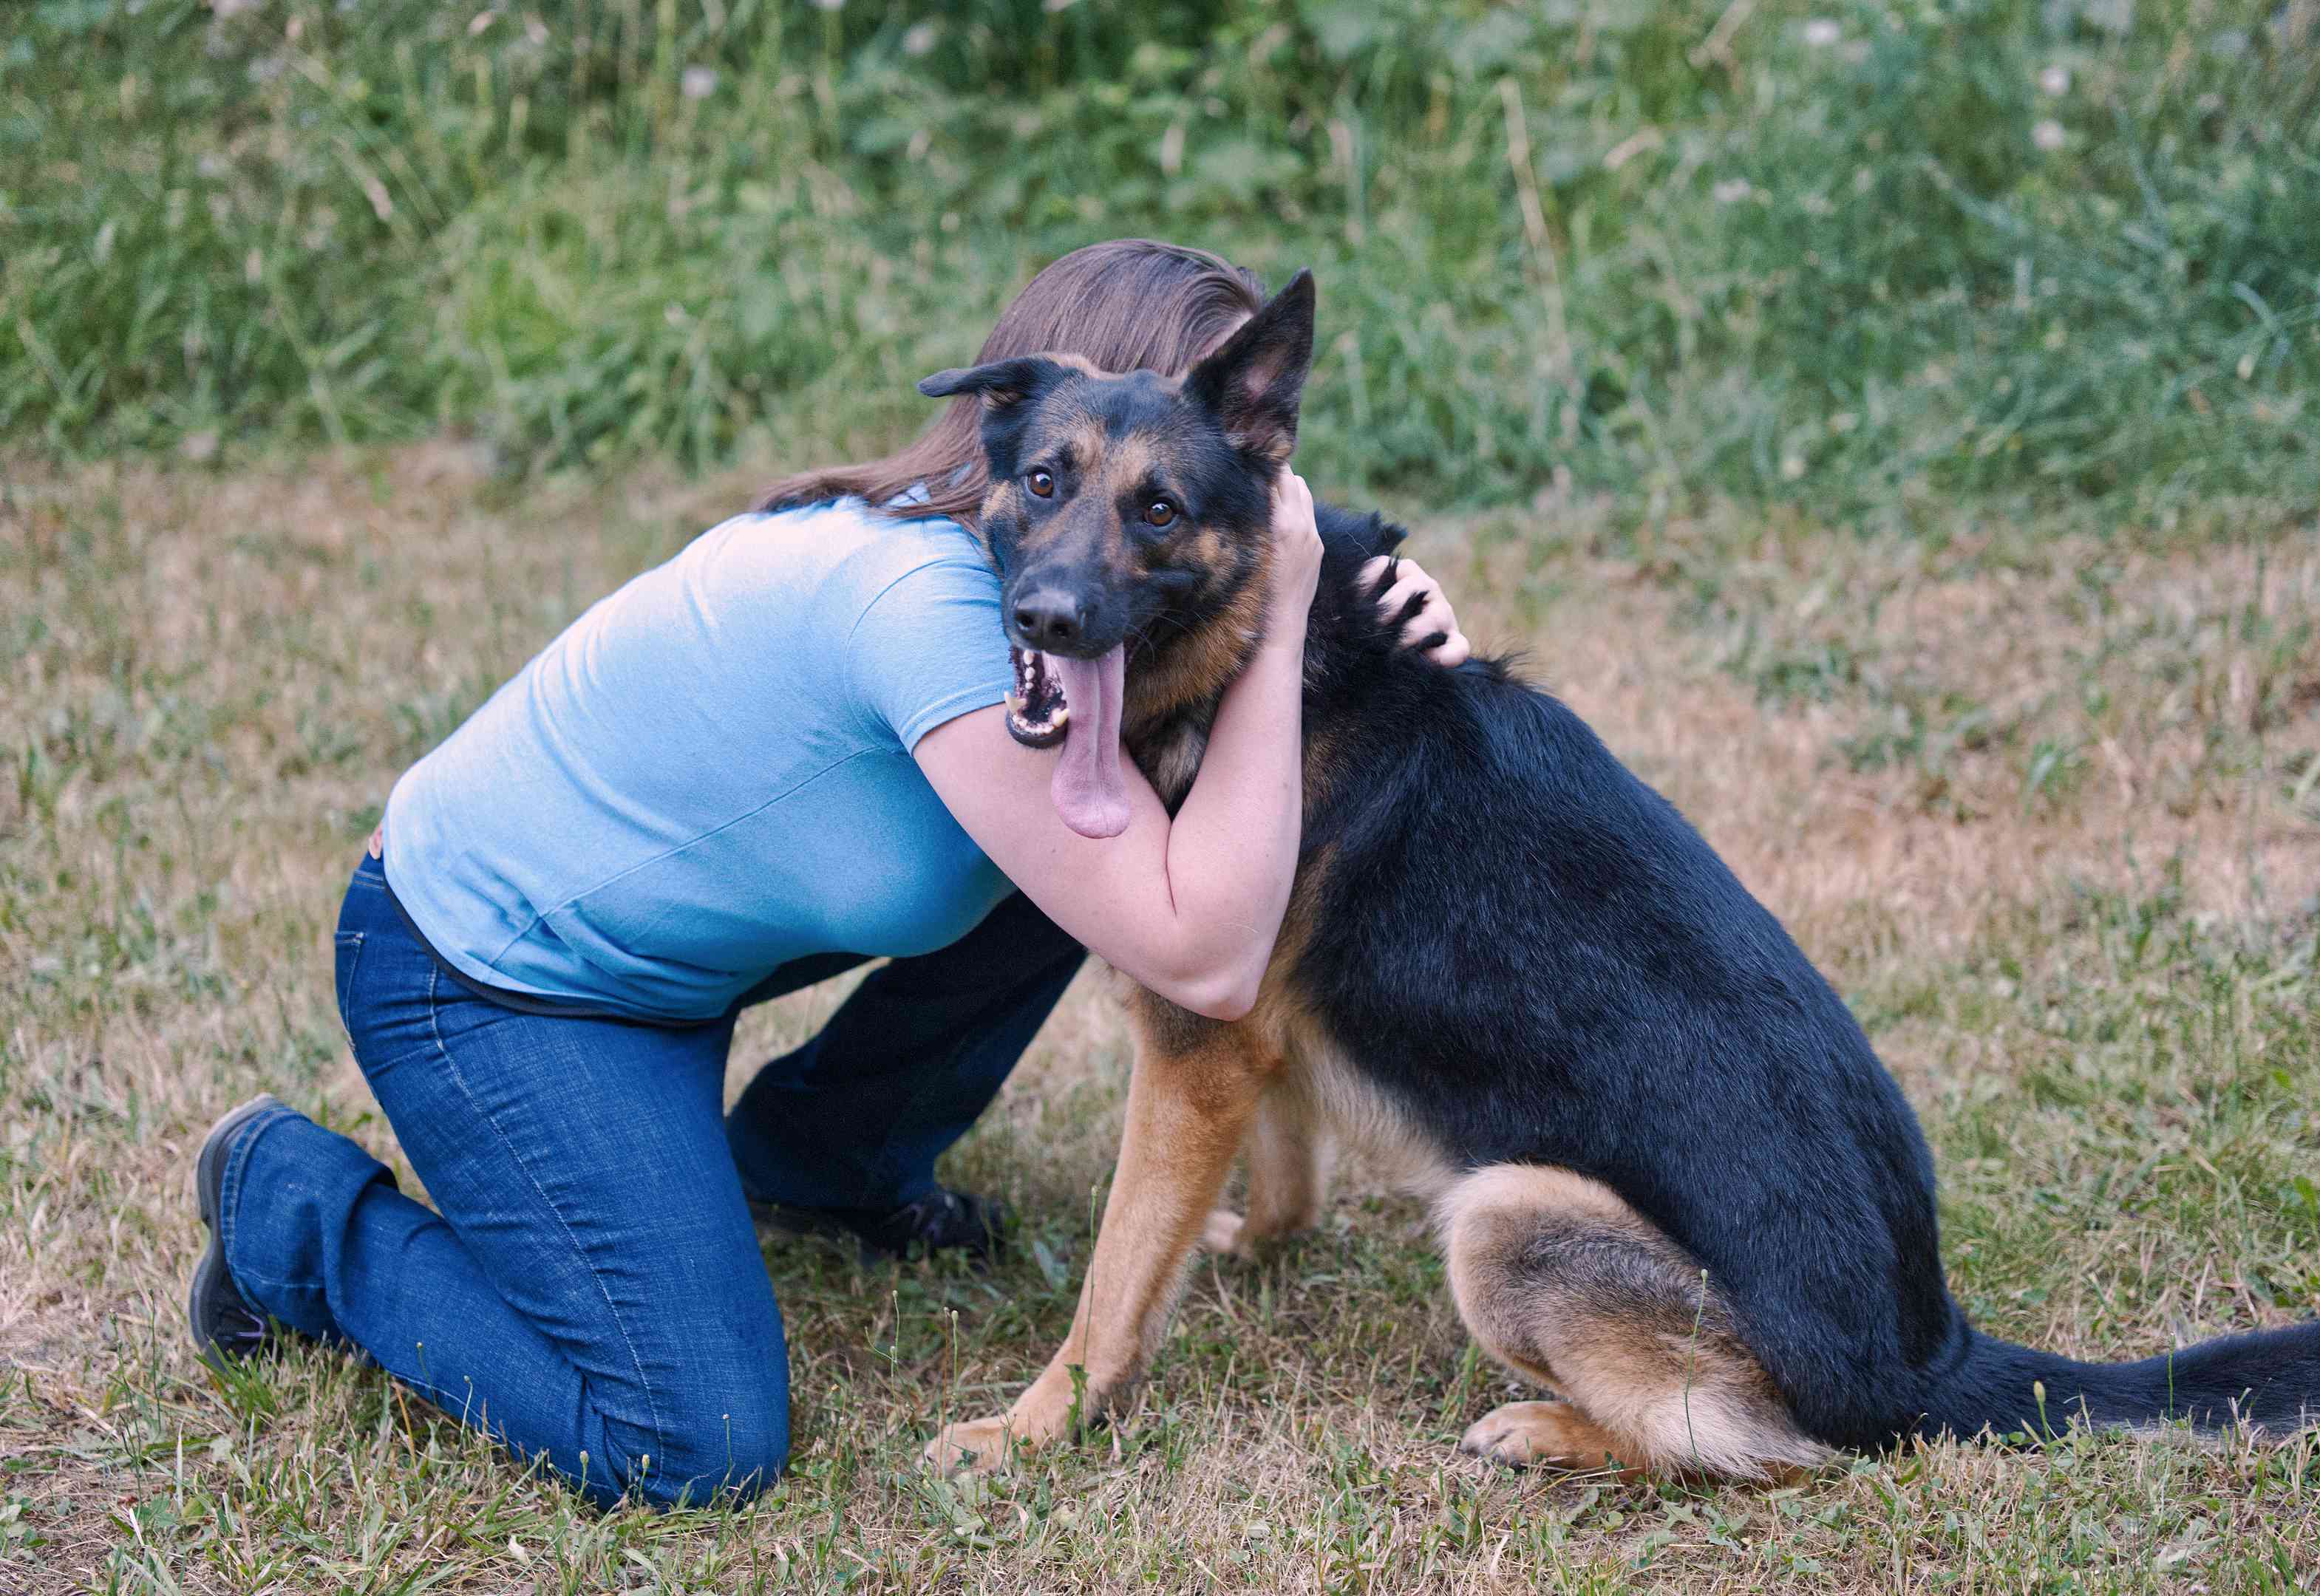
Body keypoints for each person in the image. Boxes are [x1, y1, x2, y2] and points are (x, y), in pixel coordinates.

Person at [184, 240, 1474, 1510]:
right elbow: (1207, 949)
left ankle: (825, 1158)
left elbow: (1224, 716)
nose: (1120, 529)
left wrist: (1369, 613)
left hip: (673, 958)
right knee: (689, 1439)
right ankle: (290, 1211)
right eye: (1079, 479)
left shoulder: (1058, 628)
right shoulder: (935, 621)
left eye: (1197, 476)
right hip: (490, 976)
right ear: (1017, 431)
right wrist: (1300, 604)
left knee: (1111, 841)